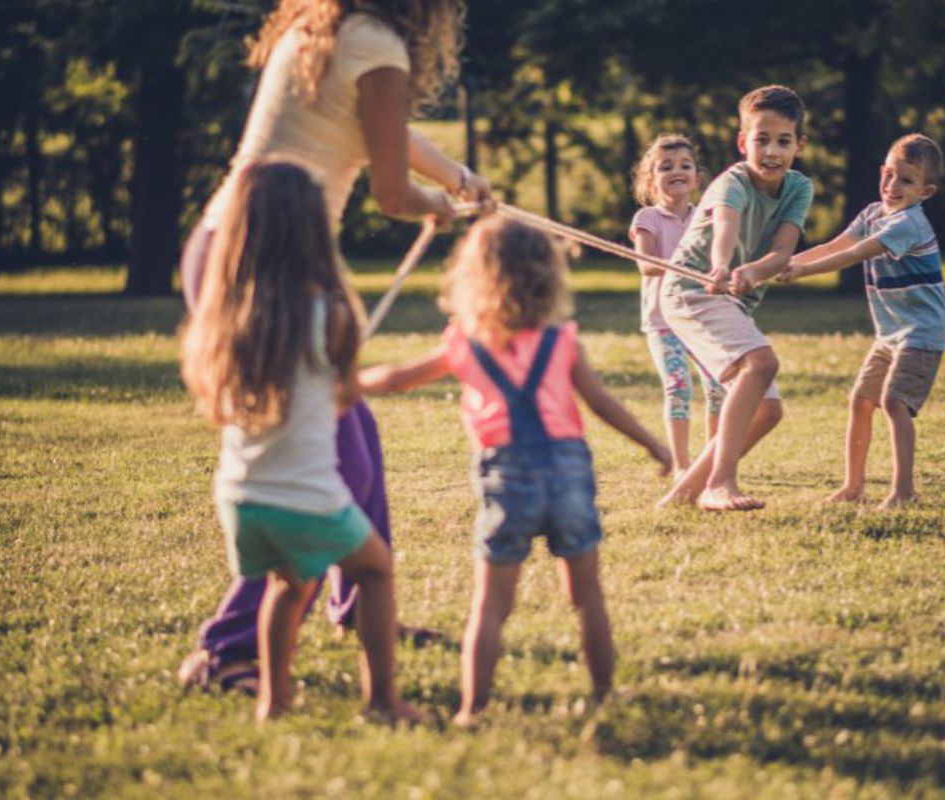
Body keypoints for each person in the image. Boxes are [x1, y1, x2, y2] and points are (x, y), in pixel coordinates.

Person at [178, 0, 493, 693]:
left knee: (357, 440)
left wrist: (455, 178)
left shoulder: (324, 30)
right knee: (337, 462)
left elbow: (382, 131)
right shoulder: (378, 46)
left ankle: (359, 604)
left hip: (228, 243)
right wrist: (440, 204)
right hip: (261, 260)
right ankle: (228, 649)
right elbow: (391, 191)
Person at [358, 216, 672, 725]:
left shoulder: (465, 343)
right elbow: (601, 403)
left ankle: (472, 710)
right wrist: (653, 445)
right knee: (587, 596)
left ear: (474, 278)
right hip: (568, 473)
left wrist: (348, 381)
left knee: (491, 604)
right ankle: (604, 694)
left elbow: (396, 379)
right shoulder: (562, 340)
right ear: (548, 276)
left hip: (507, 477)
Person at [181, 161, 418, 722]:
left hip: (241, 501)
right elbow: (345, 393)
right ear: (313, 232)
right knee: (375, 570)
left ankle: (274, 701)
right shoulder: (330, 316)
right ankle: (383, 702)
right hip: (305, 499)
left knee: (288, 585)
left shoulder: (225, 325)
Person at [657, 85, 813, 511]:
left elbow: (782, 252)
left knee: (768, 411)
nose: (772, 151)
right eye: (762, 140)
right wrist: (722, 265)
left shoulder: (799, 188)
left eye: (783, 141)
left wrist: (755, 272)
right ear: (743, 142)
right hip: (692, 290)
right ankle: (720, 483)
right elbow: (726, 226)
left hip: (732, 300)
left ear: (799, 145)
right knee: (761, 363)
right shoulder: (733, 182)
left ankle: (683, 496)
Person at [780, 133, 945, 510]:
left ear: (925, 191)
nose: (893, 185)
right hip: (890, 335)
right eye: (889, 174)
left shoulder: (908, 224)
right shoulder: (873, 213)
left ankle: (904, 491)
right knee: (860, 400)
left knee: (894, 402)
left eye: (906, 180)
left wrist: (801, 273)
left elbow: (853, 255)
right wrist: (783, 263)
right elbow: (833, 246)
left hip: (921, 334)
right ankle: (853, 486)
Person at [629, 134, 726, 477]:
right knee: (678, 387)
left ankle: (712, 462)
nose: (676, 171)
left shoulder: (706, 218)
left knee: (718, 387)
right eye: (666, 167)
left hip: (699, 318)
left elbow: (719, 257)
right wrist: (686, 266)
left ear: (697, 179)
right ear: (651, 181)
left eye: (685, 165)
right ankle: (682, 466)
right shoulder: (647, 218)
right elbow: (646, 265)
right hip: (663, 321)